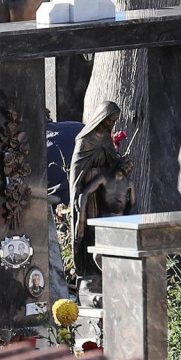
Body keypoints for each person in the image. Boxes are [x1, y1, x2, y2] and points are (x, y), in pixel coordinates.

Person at [68, 101, 130, 274]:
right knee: (89, 234)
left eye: (114, 121)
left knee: (102, 235)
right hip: (87, 194)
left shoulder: (105, 139)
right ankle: (89, 273)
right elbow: (77, 173)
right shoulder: (85, 141)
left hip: (103, 193)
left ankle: (103, 274)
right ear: (101, 118)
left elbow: (113, 162)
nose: (112, 125)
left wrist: (122, 162)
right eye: (110, 120)